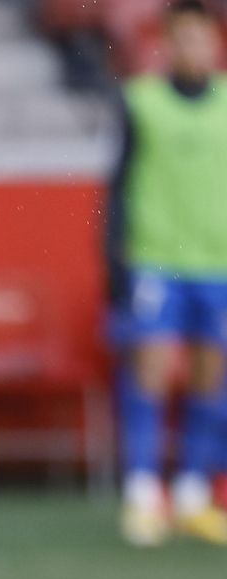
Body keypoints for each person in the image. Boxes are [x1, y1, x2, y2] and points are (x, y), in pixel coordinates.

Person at [105, 0, 227, 547]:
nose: (193, 49)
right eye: (183, 39)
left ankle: (193, 494)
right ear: (166, 44)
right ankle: (142, 493)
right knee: (151, 371)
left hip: (218, 261)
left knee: (208, 374)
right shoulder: (142, 102)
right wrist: (114, 256)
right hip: (156, 258)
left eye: (202, 39)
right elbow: (119, 182)